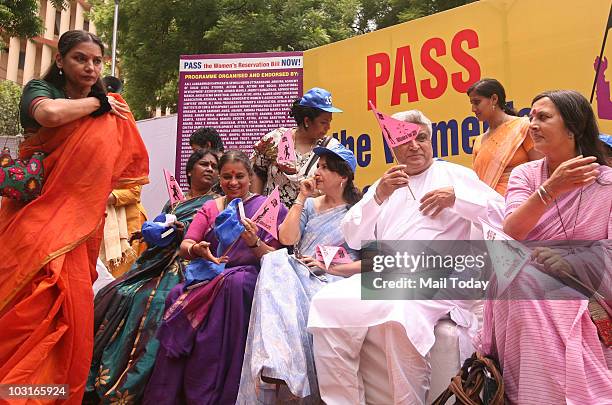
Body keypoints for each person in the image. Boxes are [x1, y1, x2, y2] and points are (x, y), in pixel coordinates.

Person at [306, 110, 504, 404]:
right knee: (326, 304)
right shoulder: (385, 185)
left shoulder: (456, 176)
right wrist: (378, 197)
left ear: (431, 140)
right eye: (405, 140)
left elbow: (502, 216)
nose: (414, 146)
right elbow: (354, 236)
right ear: (393, 146)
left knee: (399, 314)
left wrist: (457, 200)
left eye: (421, 137)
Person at [0, 30, 148, 402]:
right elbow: (48, 115)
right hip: (31, 226)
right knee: (27, 315)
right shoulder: (42, 90)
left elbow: (125, 173)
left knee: (69, 326)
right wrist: (97, 104)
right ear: (61, 61)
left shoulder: (114, 109)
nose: (90, 66)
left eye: (97, 61)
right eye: (81, 58)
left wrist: (104, 106)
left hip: (78, 235)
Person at [482, 90, 612, 404]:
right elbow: (513, 231)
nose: (532, 124)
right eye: (531, 117)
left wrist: (573, 262)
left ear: (573, 127)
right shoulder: (526, 175)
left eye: (543, 117)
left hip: (589, 286)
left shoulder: (607, 183)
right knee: (516, 276)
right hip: (528, 276)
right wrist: (553, 188)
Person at [144, 151, 288, 404]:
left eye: (240, 176)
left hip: (247, 275)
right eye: (227, 177)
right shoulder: (210, 207)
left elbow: (276, 258)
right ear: (219, 179)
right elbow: (185, 245)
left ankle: (225, 386)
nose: (233, 182)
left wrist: (253, 243)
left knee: (235, 284)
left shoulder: (267, 208)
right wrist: (197, 249)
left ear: (251, 177)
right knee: (176, 294)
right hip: (209, 274)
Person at [85, 149, 220, 404]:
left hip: (187, 263)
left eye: (214, 165)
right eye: (204, 164)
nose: (210, 169)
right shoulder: (175, 203)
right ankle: (92, 368)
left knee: (153, 300)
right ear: (190, 170)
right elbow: (159, 230)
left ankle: (129, 383)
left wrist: (185, 237)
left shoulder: (215, 203)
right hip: (156, 260)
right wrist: (148, 234)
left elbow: (212, 239)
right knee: (113, 292)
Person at [237, 144, 362, 403]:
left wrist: (329, 267)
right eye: (319, 166)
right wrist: (301, 197)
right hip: (297, 273)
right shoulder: (309, 205)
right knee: (275, 261)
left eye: (326, 168)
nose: (318, 172)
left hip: (332, 280)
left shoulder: (358, 212)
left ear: (344, 176)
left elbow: (371, 263)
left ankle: (282, 365)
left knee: (277, 264)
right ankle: (278, 364)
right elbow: (286, 237)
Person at [251, 87, 342, 207]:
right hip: (272, 218)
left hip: (310, 219)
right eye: (323, 122)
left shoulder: (331, 148)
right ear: (307, 121)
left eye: (329, 122)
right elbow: (257, 171)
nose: (328, 127)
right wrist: (256, 206)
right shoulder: (275, 139)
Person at [468, 78, 542, 195]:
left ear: (494, 99)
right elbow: (477, 183)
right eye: (471, 104)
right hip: (488, 209)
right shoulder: (479, 141)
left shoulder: (523, 126)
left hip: (520, 204)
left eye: (477, 102)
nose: (473, 109)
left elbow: (540, 170)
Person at [101, 185, 148, 277]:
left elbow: (134, 193)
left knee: (123, 279)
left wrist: (100, 198)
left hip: (128, 227)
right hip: (96, 220)